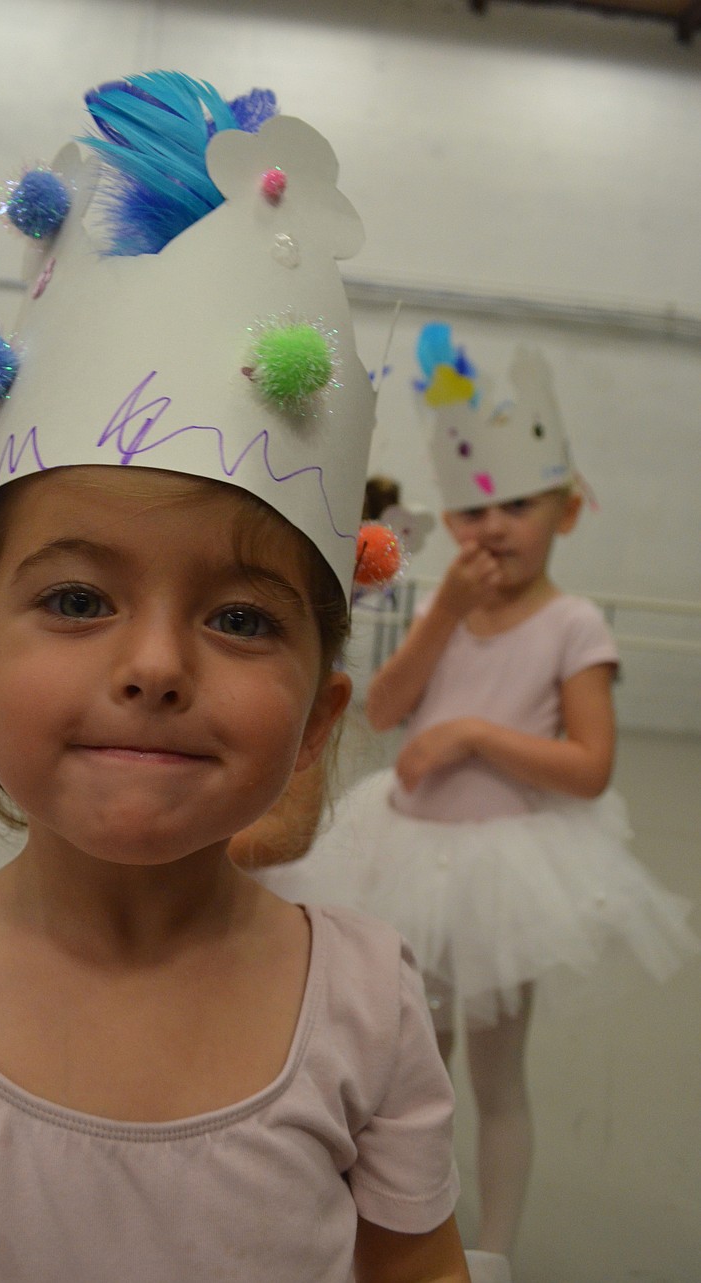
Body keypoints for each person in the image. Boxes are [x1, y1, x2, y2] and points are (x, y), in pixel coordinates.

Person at [0, 74, 470, 1282]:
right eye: (78, 599)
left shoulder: (366, 1003)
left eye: (241, 615)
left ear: (314, 720)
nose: (152, 665)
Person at [259, 327, 698, 1282]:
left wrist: (471, 736)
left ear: (567, 511)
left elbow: (587, 765)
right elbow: (379, 706)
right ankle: (408, 1232)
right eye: (470, 509)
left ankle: (495, 1248)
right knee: (411, 1069)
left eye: (518, 505)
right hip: (406, 858)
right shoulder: (440, 608)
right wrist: (446, 612)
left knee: (494, 1076)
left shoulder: (573, 623)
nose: (492, 527)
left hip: (505, 874)